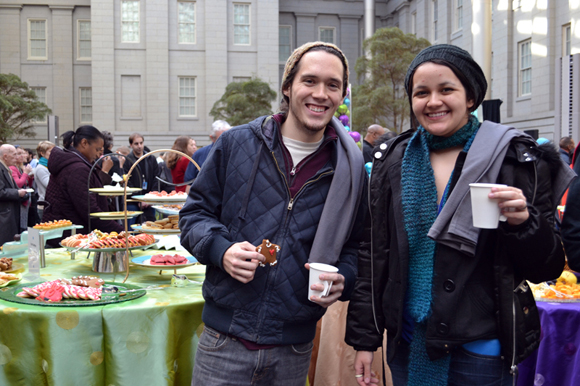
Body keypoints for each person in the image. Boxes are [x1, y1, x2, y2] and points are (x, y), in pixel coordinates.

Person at [345, 44, 574, 386]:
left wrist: (523, 223)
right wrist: (365, 339)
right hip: (407, 341)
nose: (433, 101)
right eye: (421, 92)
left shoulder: (515, 160)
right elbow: (373, 254)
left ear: (470, 97)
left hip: (481, 347)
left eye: (446, 89)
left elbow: (546, 268)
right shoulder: (393, 160)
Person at [180, 41, 367, 385]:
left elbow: (358, 246)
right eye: (309, 81)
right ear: (287, 86)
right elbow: (193, 216)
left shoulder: (350, 168)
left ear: (342, 94)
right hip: (224, 340)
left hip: (293, 347)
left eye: (332, 85)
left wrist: (345, 278)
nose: (320, 94)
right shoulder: (237, 144)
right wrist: (223, 251)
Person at [43, 126, 123, 245]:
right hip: (72, 239)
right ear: (84, 143)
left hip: (69, 235)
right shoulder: (77, 169)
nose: (99, 155)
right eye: (97, 149)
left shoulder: (76, 163)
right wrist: (124, 232)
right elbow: (90, 210)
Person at [124, 133, 167, 221]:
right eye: (136, 144)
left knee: (151, 226)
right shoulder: (128, 160)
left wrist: (150, 197)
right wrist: (138, 199)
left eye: (141, 143)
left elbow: (156, 178)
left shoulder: (151, 158)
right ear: (131, 145)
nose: (139, 146)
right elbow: (128, 182)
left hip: (149, 200)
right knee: (131, 228)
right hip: (133, 201)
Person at [183, 120, 231, 193]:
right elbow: (189, 183)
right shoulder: (200, 154)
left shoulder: (238, 152)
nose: (226, 142)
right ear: (212, 138)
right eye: (222, 139)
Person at [0, 144, 28, 245]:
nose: (17, 157)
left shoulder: (6, 168)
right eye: (14, 154)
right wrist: (17, 193)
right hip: (4, 216)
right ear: (5, 156)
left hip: (9, 214)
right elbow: (1, 192)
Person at [10, 147, 33, 231]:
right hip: (20, 201)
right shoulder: (12, 168)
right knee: (22, 226)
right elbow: (18, 184)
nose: (23, 156)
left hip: (26, 201)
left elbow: (27, 184)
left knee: (25, 223)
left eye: (23, 153)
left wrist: (30, 177)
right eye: (19, 154)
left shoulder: (20, 167)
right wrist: (26, 173)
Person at [33, 141, 55, 219]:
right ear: (42, 153)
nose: (53, 154)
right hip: (45, 205)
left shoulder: (49, 166)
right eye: (50, 152)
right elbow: (49, 184)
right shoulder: (41, 168)